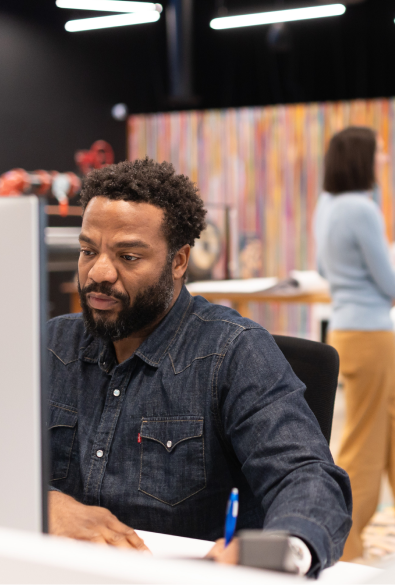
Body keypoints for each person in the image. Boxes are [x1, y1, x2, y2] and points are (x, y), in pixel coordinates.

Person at [47, 159, 352, 577]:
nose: (98, 273)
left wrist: (281, 550)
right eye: (88, 251)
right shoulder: (51, 345)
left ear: (178, 261)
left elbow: (307, 477)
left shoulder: (234, 352)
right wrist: (43, 504)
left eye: (129, 256)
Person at [313, 127, 395, 561]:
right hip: (370, 335)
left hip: (348, 329)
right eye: (380, 153)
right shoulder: (361, 208)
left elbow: (324, 269)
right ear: (361, 160)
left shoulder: (326, 206)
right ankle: (340, 538)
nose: (384, 160)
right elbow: (387, 278)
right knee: (364, 444)